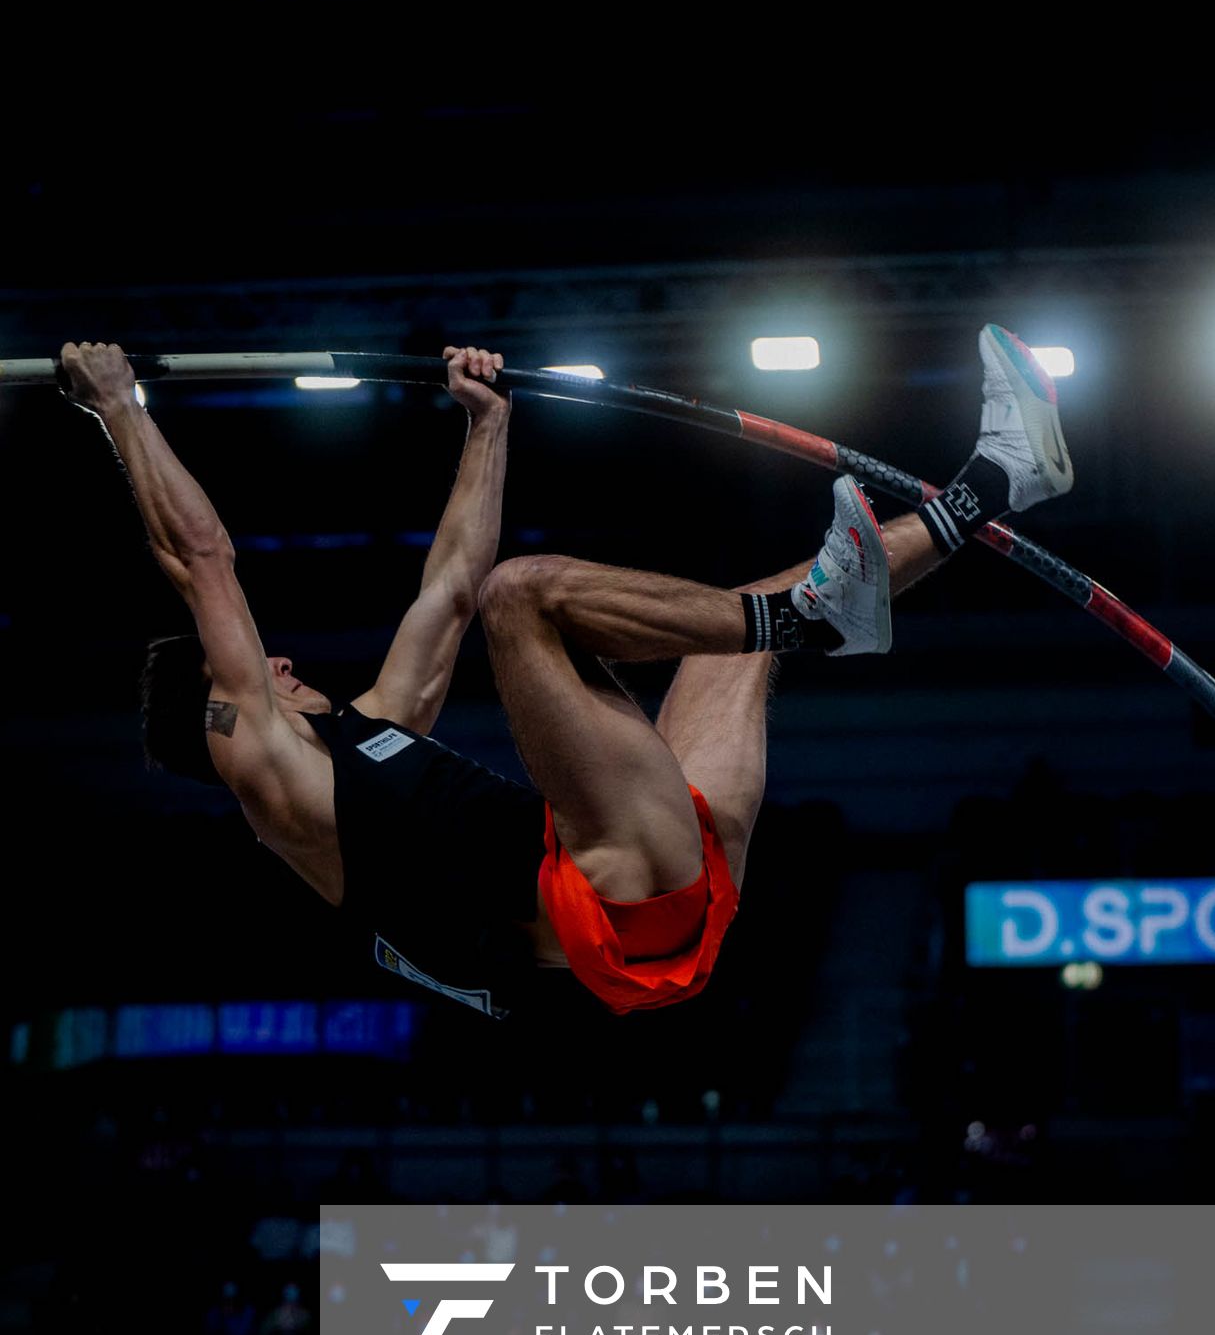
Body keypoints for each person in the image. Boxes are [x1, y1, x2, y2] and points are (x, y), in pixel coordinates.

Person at [60, 327, 1072, 1018]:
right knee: (525, 594)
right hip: (616, 890)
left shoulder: (365, 737)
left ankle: (994, 481)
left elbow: (446, 588)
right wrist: (116, 407)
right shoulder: (270, 777)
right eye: (251, 668)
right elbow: (198, 557)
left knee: (727, 630)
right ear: (218, 708)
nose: (277, 660)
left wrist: (486, 424)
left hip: (667, 873)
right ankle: (804, 620)